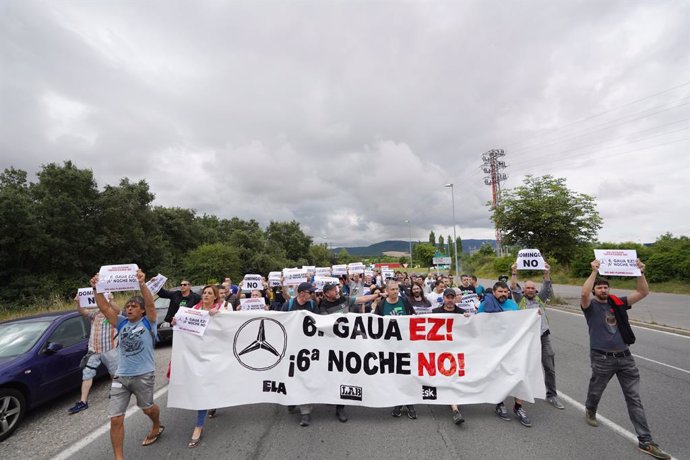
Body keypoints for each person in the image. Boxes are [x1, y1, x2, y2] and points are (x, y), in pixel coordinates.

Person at [581, 260, 670, 460]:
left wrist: (640, 272)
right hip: (602, 357)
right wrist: (594, 271)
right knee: (596, 390)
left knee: (634, 398)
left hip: (625, 358)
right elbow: (584, 294)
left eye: (606, 287)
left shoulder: (618, 302)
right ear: (595, 290)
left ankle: (645, 440)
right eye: (599, 287)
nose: (603, 289)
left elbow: (643, 292)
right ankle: (590, 408)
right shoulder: (590, 306)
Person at [90, 270, 163, 460]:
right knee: (115, 419)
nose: (129, 308)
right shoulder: (121, 323)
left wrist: (141, 284)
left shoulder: (149, 322)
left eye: (133, 306)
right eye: (127, 306)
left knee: (147, 409)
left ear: (142, 311)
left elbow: (150, 304)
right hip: (120, 376)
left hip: (143, 375)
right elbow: (105, 308)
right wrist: (96, 287)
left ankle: (156, 423)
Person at [316, 282, 382, 422]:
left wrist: (377, 295)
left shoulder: (344, 299)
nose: (337, 290)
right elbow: (325, 326)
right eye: (334, 290)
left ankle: (340, 407)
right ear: (327, 293)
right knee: (332, 375)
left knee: (343, 375)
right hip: (333, 346)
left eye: (337, 288)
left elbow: (362, 299)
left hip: (348, 344)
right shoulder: (322, 307)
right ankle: (330, 397)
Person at [171, 284, 221, 448]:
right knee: (201, 387)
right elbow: (185, 327)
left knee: (211, 385)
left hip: (215, 355)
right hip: (197, 355)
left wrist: (217, 315)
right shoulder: (193, 309)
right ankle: (199, 424)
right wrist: (176, 322)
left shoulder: (223, 309)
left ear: (215, 297)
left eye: (209, 293)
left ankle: (203, 418)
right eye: (204, 293)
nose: (205, 295)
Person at [477, 281, 532, 427]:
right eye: (500, 291)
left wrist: (534, 316)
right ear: (494, 292)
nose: (503, 294)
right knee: (499, 376)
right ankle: (499, 403)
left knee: (520, 376)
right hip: (495, 348)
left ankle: (518, 407)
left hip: (513, 347)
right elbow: (477, 325)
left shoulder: (513, 305)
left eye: (505, 292)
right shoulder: (485, 305)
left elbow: (522, 322)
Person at [510, 262, 564, 410]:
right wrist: (514, 272)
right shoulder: (519, 299)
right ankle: (517, 392)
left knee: (549, 367)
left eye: (533, 288)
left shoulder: (540, 298)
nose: (530, 290)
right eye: (527, 287)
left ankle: (552, 395)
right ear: (524, 289)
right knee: (522, 366)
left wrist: (546, 271)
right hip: (526, 338)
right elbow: (513, 287)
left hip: (543, 336)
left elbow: (547, 285)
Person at [68, 293, 119, 415]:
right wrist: (78, 302)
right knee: (87, 374)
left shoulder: (113, 314)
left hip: (110, 349)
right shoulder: (95, 314)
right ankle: (83, 402)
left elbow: (119, 310)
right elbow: (83, 312)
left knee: (114, 373)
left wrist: (111, 300)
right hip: (94, 349)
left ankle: (116, 392)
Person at [373, 280, 417, 419]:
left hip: (405, 344)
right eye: (392, 289)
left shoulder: (404, 302)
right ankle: (398, 403)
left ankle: (410, 404)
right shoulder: (382, 305)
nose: (395, 291)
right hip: (389, 346)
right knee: (395, 375)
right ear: (387, 291)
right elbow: (375, 323)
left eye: (397, 289)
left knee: (407, 374)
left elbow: (414, 318)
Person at [281, 282, 319, 426]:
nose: (313, 295)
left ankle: (306, 412)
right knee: (291, 377)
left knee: (305, 377)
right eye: (310, 292)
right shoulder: (288, 305)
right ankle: (292, 400)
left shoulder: (313, 305)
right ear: (302, 293)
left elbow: (318, 322)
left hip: (308, 348)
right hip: (291, 347)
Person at [432, 288, 471, 425]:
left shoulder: (462, 313)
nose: (449, 300)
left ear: (455, 299)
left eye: (452, 297)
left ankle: (454, 407)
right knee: (447, 375)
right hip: (440, 350)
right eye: (447, 297)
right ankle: (454, 407)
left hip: (457, 350)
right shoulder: (435, 312)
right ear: (443, 298)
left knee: (455, 376)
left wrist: (468, 320)